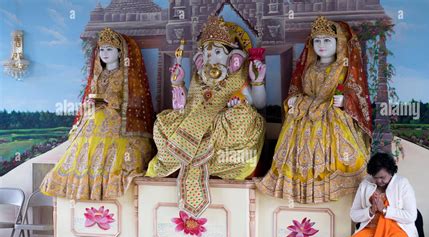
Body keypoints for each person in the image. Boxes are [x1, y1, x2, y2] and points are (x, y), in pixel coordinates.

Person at [146, 16, 266, 217]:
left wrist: (257, 83)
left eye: (218, 52)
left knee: (244, 116)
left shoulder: (239, 76)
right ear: (201, 59)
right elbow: (181, 108)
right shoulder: (197, 78)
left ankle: (202, 159)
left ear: (233, 58)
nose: (212, 58)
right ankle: (184, 157)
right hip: (192, 124)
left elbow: (259, 104)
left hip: (222, 130)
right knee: (162, 123)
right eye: (208, 54)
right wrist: (178, 85)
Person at [256, 16, 372, 203]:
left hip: (333, 116)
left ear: (338, 43)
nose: (321, 45)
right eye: (317, 40)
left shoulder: (343, 67)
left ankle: (332, 190)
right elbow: (301, 90)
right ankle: (301, 191)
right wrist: (293, 101)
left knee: (347, 158)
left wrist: (346, 100)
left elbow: (357, 93)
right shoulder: (309, 67)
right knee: (295, 160)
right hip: (304, 116)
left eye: (327, 40)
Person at [40, 27, 154, 200]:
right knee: (81, 155)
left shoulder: (127, 75)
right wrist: (90, 103)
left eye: (109, 49)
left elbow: (135, 102)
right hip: (93, 120)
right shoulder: (97, 76)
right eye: (102, 49)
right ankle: (81, 190)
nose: (105, 53)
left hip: (117, 122)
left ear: (119, 51)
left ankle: (107, 190)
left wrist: (109, 101)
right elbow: (90, 97)